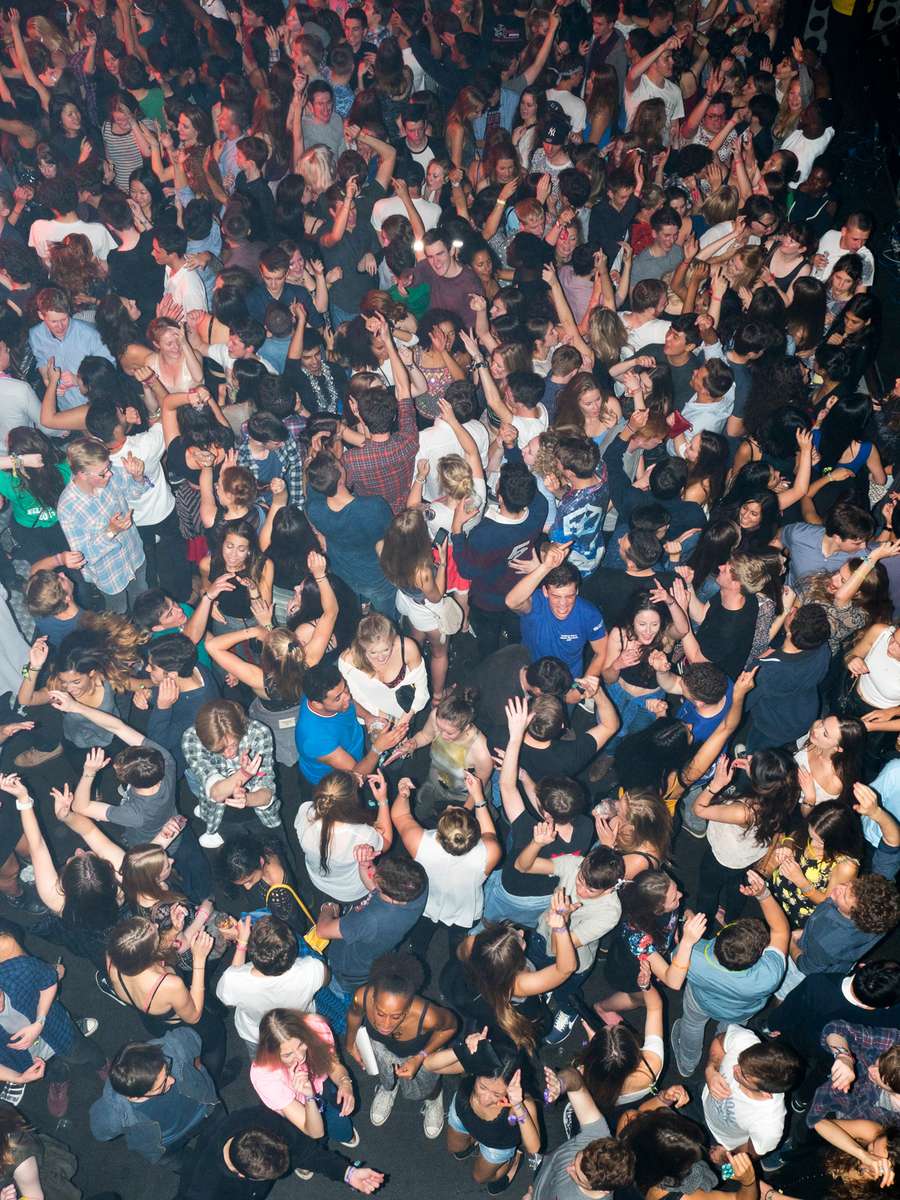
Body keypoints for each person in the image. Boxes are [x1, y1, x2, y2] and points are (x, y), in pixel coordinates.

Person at [670, 869, 789, 1078]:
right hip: (740, 1012)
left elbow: (676, 958)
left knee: (692, 1025)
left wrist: (687, 933)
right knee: (728, 1033)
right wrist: (764, 895)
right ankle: (720, 1059)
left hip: (701, 1001)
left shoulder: (695, 955)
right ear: (760, 954)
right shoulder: (769, 974)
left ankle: (687, 1065)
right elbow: (781, 930)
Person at [345, 952, 456, 1138]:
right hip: (381, 1047)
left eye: (396, 1016)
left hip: (416, 1054)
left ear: (409, 1006)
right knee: (385, 1074)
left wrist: (421, 1056)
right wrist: (350, 1043)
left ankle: (434, 1098)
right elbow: (354, 1014)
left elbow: (451, 1027)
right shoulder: (362, 996)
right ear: (372, 999)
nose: (385, 1024)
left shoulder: (427, 1016)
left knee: (426, 1085)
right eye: (380, 1013)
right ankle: (388, 1088)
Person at [89, 1027, 219, 1165]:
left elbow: (191, 1037)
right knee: (187, 1163)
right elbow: (100, 1133)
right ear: (134, 1097)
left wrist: (197, 1070)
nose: (172, 1080)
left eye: (167, 1071)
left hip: (203, 1111)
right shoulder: (112, 1113)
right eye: (161, 1084)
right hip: (167, 1142)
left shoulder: (173, 1046)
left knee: (220, 1133)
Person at [316, 857, 429, 1007]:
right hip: (372, 957)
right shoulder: (417, 885)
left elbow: (322, 930)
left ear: (392, 899)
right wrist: (365, 865)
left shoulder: (372, 919)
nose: (374, 873)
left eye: (378, 880)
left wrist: (328, 907)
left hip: (349, 970)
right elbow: (375, 886)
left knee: (337, 992)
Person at [56, 436, 147, 612]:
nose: (110, 474)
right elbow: (83, 556)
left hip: (134, 554)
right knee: (118, 613)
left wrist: (137, 476)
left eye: (109, 467)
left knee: (143, 600)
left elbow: (134, 492)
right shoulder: (68, 507)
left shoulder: (108, 474)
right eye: (103, 473)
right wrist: (111, 532)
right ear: (82, 474)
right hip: (109, 573)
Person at [216, 915, 327, 1055]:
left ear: (253, 953)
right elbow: (326, 978)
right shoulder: (311, 968)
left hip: (257, 1036)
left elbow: (226, 997)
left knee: (264, 1065)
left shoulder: (232, 980)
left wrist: (242, 943)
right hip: (300, 1028)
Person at [250, 1008, 359, 1148]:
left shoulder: (316, 1027)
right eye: (288, 1054)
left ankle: (343, 1135)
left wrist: (345, 1082)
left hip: (321, 1085)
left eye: (301, 1044)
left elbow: (332, 1064)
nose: (300, 1057)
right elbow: (315, 1132)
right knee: (308, 1145)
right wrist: (309, 1097)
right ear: (272, 1054)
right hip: (293, 1107)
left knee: (341, 1126)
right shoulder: (265, 1076)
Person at [701, 1027, 803, 1157]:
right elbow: (720, 1040)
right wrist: (710, 1070)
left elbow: (751, 1152)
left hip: (720, 1141)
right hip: (704, 1096)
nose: (735, 1068)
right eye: (740, 1060)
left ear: (766, 1094)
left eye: (743, 1074)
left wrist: (728, 1155)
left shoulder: (769, 1125)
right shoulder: (746, 1040)